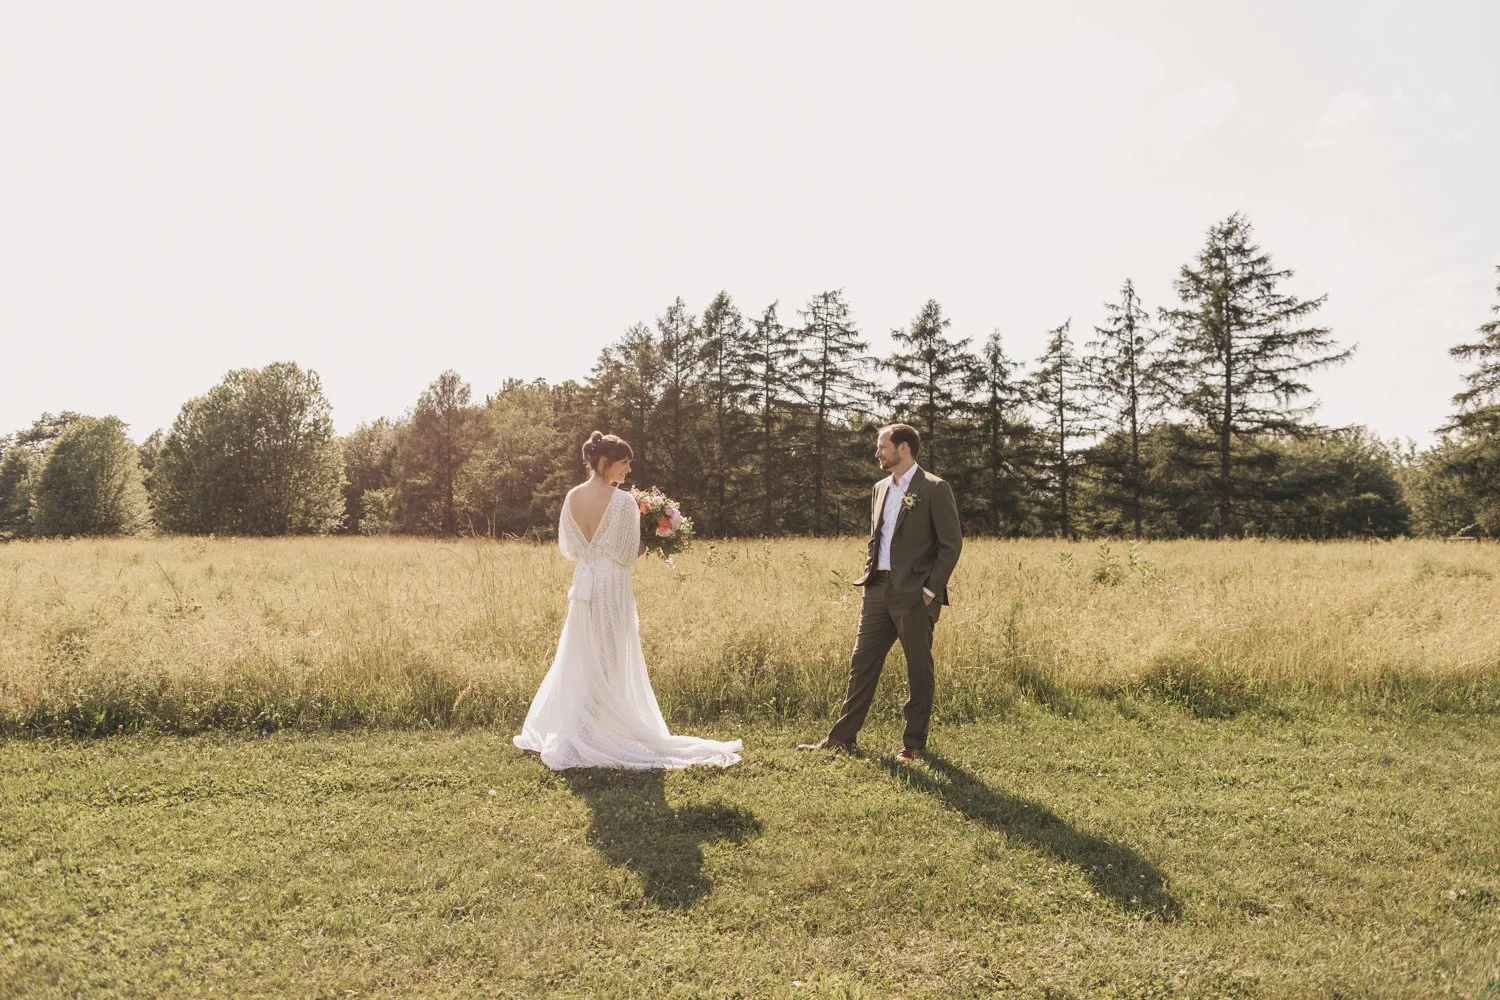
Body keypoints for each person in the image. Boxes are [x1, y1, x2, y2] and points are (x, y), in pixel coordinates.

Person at [514, 431, 742, 770]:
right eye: (624, 463)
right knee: (610, 657)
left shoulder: (572, 496)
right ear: (604, 463)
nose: (628, 470)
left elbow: (570, 549)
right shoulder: (622, 502)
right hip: (610, 588)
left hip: (583, 586)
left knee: (582, 654)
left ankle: (581, 724)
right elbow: (626, 555)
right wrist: (652, 537)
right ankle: (597, 730)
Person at [798, 423, 962, 763]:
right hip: (877, 590)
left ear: (903, 448)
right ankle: (842, 738)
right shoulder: (879, 488)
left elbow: (951, 544)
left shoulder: (934, 488)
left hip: (916, 594)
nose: (877, 453)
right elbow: (878, 539)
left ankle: (913, 743)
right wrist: (871, 578)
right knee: (861, 663)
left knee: (918, 667)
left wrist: (930, 590)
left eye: (882, 446)